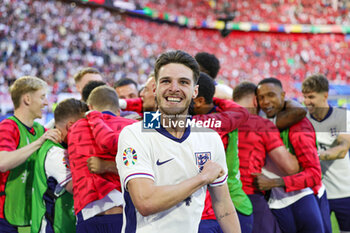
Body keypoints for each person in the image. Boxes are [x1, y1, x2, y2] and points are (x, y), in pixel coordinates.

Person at [116, 50, 242, 233]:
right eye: (166, 81)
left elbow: (222, 203)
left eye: (183, 82)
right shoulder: (134, 134)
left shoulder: (210, 138)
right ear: (155, 88)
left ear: (194, 91)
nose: (174, 88)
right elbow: (146, 202)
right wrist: (202, 178)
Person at [255, 78, 324, 233]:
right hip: (275, 203)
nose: (265, 101)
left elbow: (314, 174)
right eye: (261, 97)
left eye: (271, 95)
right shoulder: (260, 121)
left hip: (302, 199)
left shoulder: (298, 125)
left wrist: (275, 182)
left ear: (283, 95)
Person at [233, 81, 301, 233]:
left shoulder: (216, 120)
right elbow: (290, 168)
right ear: (255, 100)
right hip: (248, 195)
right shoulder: (261, 124)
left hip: (216, 199)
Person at [68, 85, 137, 233]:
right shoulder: (132, 127)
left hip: (86, 215)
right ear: (118, 111)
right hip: (122, 214)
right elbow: (140, 169)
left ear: (90, 107)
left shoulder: (74, 128)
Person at [193, 73, 253, 233]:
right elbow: (241, 112)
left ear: (199, 100)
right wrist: (215, 98)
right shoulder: (224, 117)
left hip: (209, 214)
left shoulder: (197, 124)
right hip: (233, 204)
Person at [0, 76, 61, 232]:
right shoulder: (8, 126)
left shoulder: (40, 130)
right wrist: (39, 143)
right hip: (4, 215)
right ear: (27, 99)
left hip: (29, 214)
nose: (46, 103)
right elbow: (3, 162)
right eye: (42, 97)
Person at [31, 98, 88, 233]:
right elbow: (78, 188)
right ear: (71, 126)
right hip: (53, 227)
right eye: (85, 126)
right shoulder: (55, 152)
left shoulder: (64, 146)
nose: (88, 131)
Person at [302, 74, 350, 233]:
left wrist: (313, 156)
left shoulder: (342, 116)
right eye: (305, 96)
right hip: (318, 192)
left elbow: (343, 149)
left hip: (345, 190)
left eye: (311, 97)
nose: (307, 101)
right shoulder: (303, 120)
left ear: (325, 96)